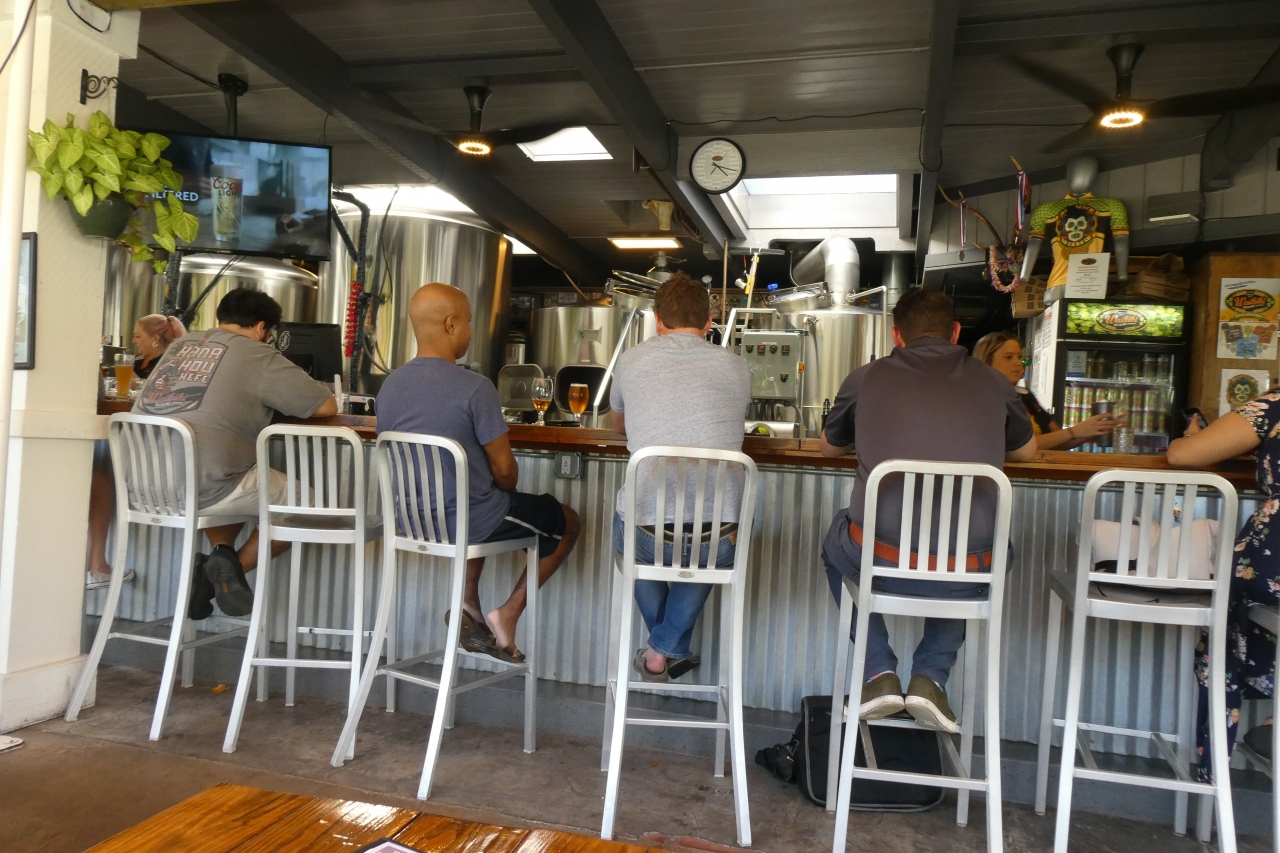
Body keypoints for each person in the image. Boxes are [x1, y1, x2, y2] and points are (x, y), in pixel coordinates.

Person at [819, 289, 1037, 732]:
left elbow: (828, 447)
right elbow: (1027, 452)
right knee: (970, 555)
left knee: (834, 542)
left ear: (896, 335)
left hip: (881, 561)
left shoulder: (865, 378)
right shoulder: (996, 383)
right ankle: (931, 678)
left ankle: (878, 672)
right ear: (955, 332)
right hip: (970, 569)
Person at [377, 282, 580, 662]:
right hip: (466, 519)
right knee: (567, 521)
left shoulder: (390, 386)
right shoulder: (475, 387)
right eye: (469, 322)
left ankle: (469, 603)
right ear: (451, 325)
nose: (471, 330)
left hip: (411, 520)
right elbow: (504, 469)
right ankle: (508, 613)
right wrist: (502, 487)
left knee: (478, 498)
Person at [133, 288, 338, 618]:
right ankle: (220, 578)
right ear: (261, 328)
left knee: (228, 474)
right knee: (309, 505)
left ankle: (221, 557)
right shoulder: (258, 354)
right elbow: (326, 406)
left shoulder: (181, 346)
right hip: (202, 487)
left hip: (141, 486)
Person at [608, 272, 751, 682]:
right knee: (711, 533)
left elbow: (619, 427)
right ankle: (666, 648)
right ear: (709, 322)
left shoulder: (630, 360)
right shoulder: (738, 367)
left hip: (647, 536)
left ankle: (660, 650)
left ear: (658, 320)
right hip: (719, 541)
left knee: (629, 534)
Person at [1168, 394, 1280, 777]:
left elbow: (1181, 456)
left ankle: (1213, 768)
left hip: (1272, 564)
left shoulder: (1273, 406)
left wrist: (1194, 435)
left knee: (1233, 619)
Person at [86, 314, 187, 589]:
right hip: (156, 479)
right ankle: (94, 566)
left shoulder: (170, 364)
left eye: (138, 336)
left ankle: (94, 566)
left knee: (100, 482)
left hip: (158, 481)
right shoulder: (140, 363)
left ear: (155, 338)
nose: (133, 341)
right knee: (100, 482)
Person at [973, 330, 1121, 450]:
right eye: (1009, 357)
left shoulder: (1024, 395)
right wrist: (1074, 431)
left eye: (1019, 356)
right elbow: (1016, 446)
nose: (1018, 363)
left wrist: (1097, 428)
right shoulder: (984, 399)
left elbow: (1060, 441)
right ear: (986, 362)